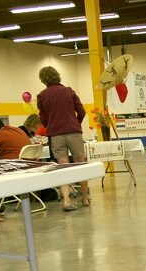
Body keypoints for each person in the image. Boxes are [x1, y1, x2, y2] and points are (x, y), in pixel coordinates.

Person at [37, 65, 89, 211]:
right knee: (81, 164)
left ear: (42, 79)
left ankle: (66, 200)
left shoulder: (42, 96)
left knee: (63, 167)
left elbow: (43, 118)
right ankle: (84, 198)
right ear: (57, 75)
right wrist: (75, 123)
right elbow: (82, 111)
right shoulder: (69, 91)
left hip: (56, 135)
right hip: (73, 132)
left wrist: (52, 126)